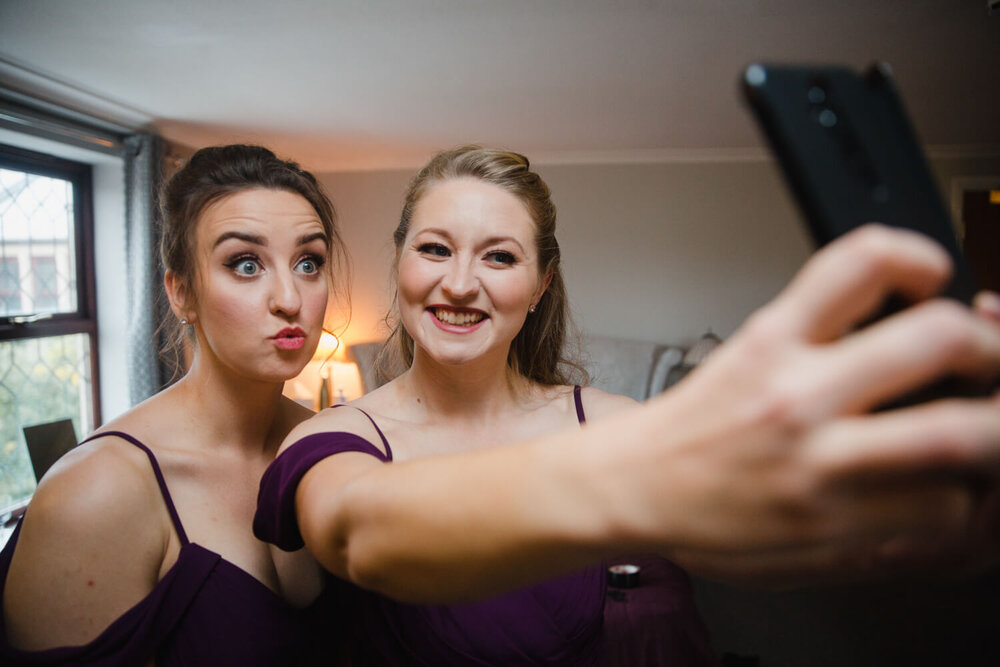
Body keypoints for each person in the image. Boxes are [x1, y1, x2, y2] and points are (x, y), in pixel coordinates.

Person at [255, 145, 1000, 665]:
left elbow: (747, 528)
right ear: (400, 259)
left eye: (500, 256)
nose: (459, 283)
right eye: (435, 249)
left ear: (541, 283)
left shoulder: (606, 420)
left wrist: (893, 512)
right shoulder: (334, 438)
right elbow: (364, 535)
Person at [1, 144, 347, 666]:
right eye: (246, 264)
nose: (290, 298)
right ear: (181, 292)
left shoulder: (333, 445)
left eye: (308, 262)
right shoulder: (94, 494)